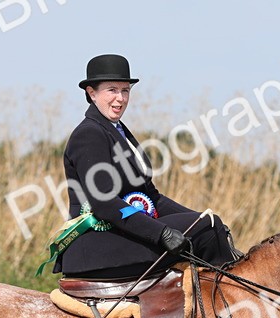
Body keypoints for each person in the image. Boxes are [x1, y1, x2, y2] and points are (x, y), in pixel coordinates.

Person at [56, 54, 237, 279]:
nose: (120, 98)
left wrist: (200, 217)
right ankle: (233, 295)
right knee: (208, 230)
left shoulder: (117, 130)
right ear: (92, 93)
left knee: (208, 224)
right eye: (112, 90)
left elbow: (151, 196)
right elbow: (104, 203)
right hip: (95, 246)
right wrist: (161, 233)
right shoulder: (89, 134)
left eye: (125, 90)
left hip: (121, 234)